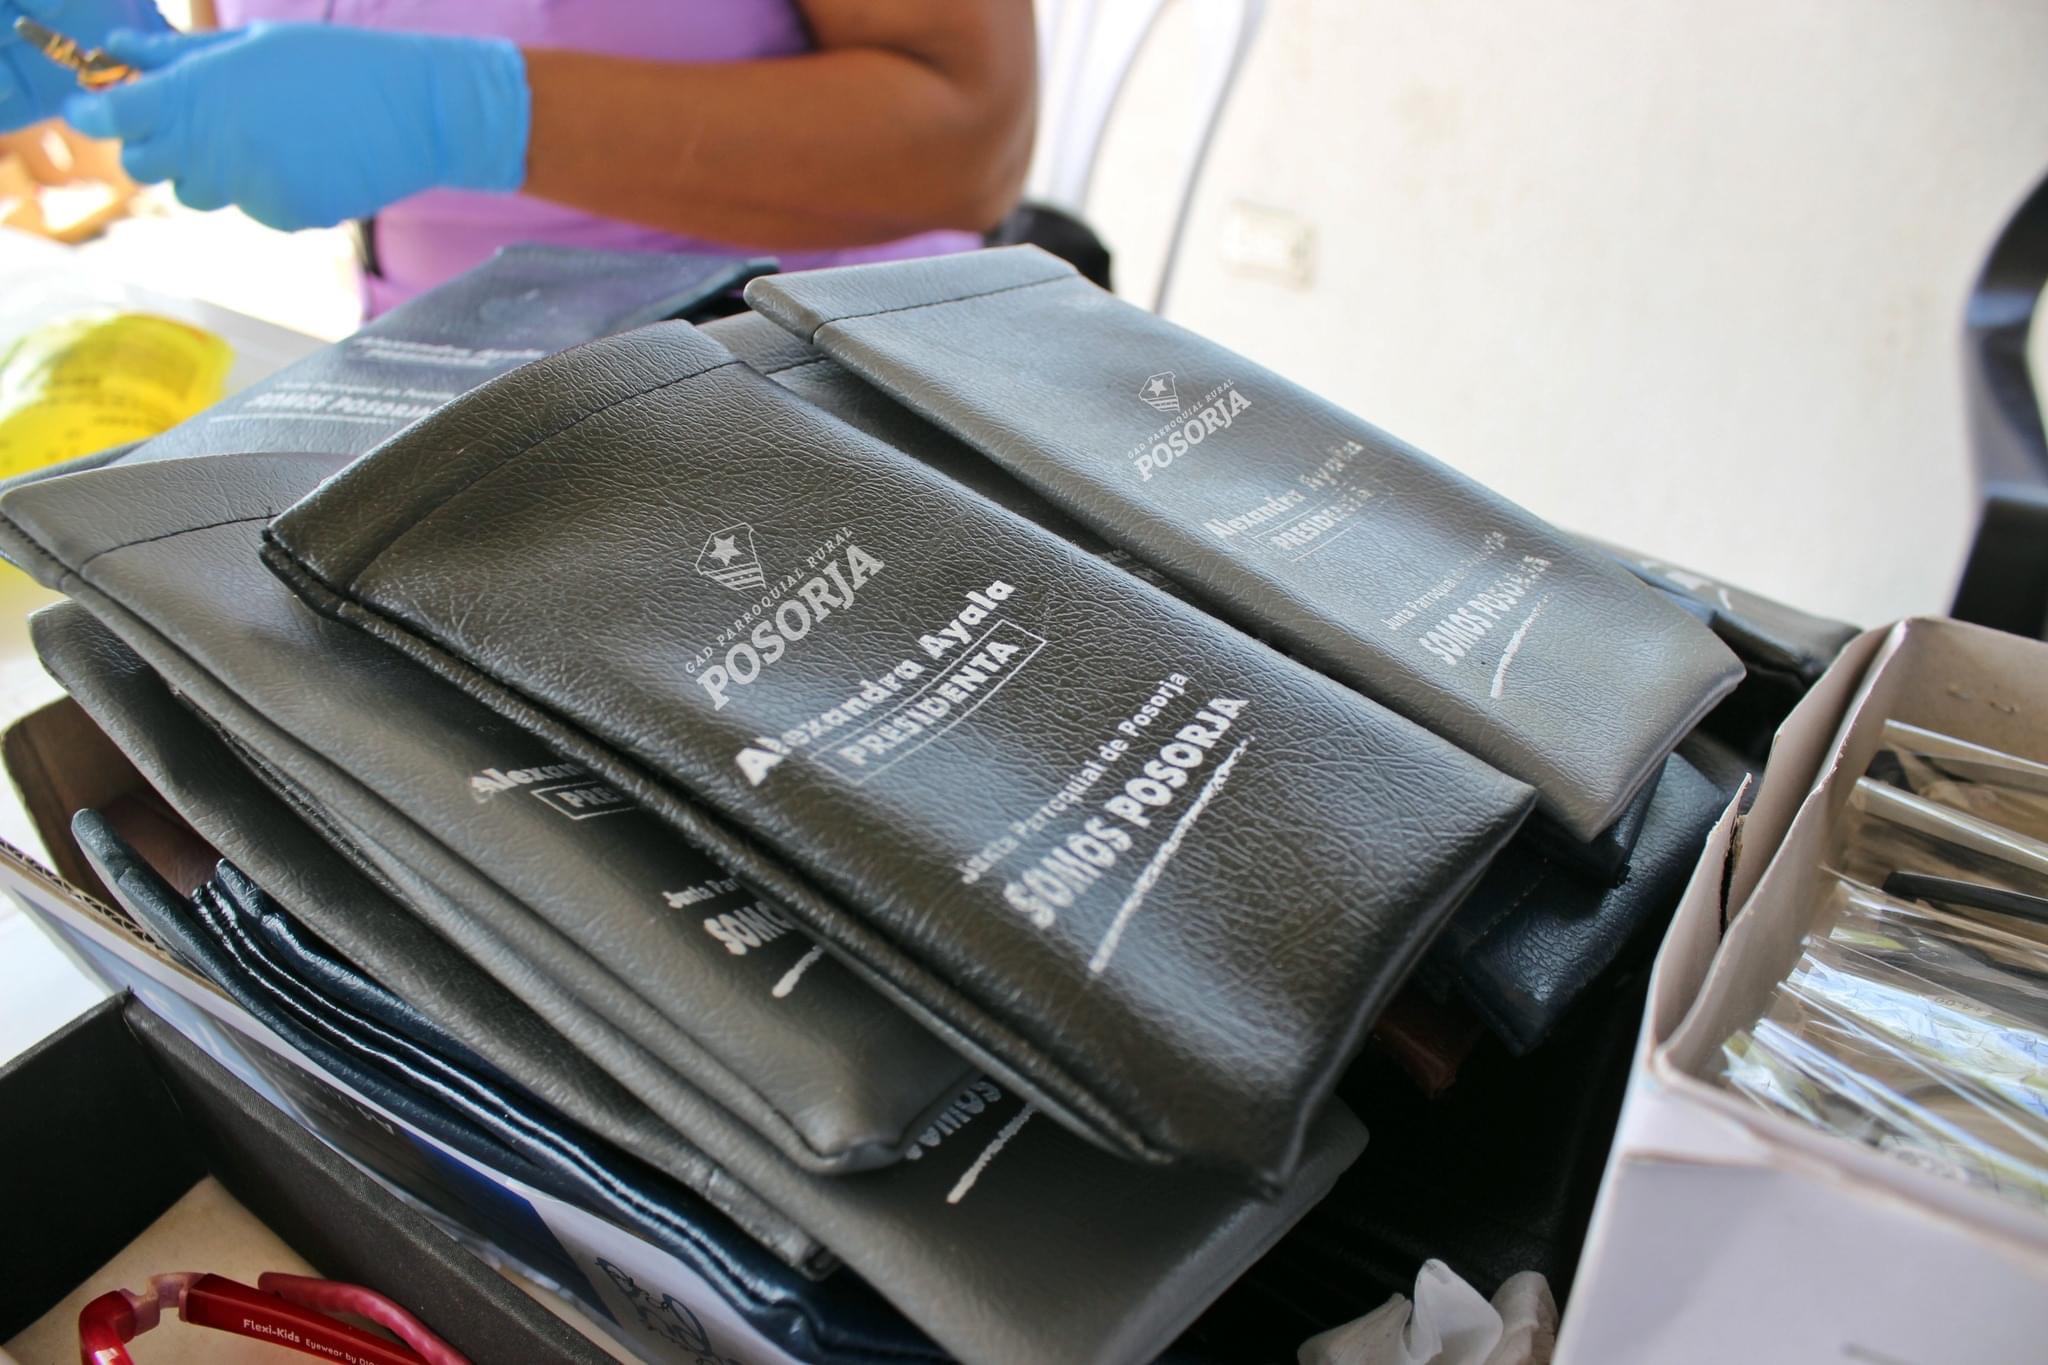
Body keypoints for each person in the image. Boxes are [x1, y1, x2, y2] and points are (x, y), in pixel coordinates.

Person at [0, 0, 1035, 314]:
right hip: (446, 407)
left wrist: (475, 115)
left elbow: (969, 137)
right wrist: (132, 54)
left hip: (824, 384)